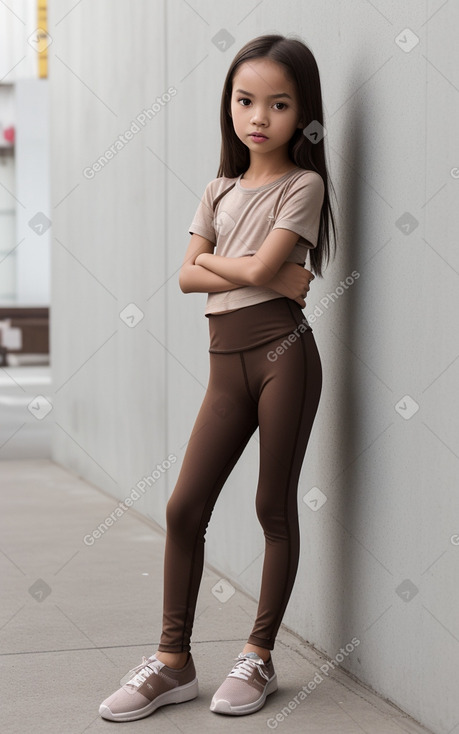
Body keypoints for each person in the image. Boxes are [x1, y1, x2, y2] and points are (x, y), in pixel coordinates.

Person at [99, 32, 336, 722]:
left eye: (279, 103)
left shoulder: (305, 185)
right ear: (228, 105)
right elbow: (188, 277)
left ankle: (257, 654)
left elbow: (240, 274)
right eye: (244, 100)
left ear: (303, 114)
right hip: (223, 364)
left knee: (271, 506)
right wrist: (267, 271)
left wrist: (238, 268)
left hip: (281, 355)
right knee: (182, 509)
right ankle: (172, 662)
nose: (258, 116)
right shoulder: (218, 188)